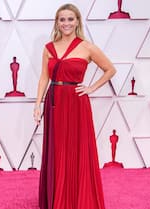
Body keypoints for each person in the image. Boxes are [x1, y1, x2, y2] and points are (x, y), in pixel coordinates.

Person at [33, 3, 116, 209]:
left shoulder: (87, 47)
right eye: (62, 19)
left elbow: (110, 69)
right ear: (57, 22)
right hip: (54, 103)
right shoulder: (48, 48)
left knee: (77, 150)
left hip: (77, 103)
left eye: (70, 19)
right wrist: (38, 104)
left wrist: (91, 88)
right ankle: (58, 199)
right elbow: (44, 77)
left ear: (77, 21)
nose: (66, 23)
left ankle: (77, 199)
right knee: (57, 150)